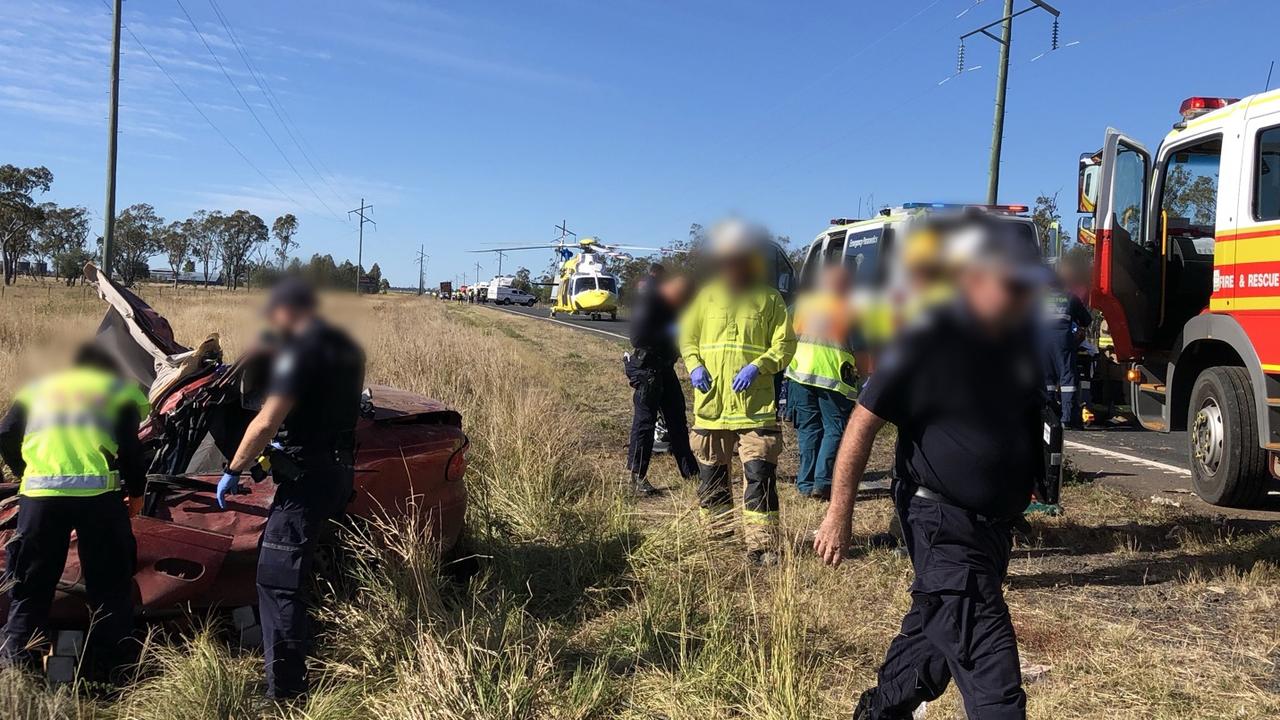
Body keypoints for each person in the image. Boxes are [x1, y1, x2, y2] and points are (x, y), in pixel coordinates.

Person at [813, 216, 1047, 719]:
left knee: (933, 647)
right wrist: (839, 513)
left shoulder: (1013, 347)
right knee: (993, 679)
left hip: (991, 532)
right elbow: (861, 424)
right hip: (944, 525)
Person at [215, 277, 365, 700]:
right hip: (338, 472)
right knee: (310, 568)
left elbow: (265, 421)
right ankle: (311, 647)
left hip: (306, 481)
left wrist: (234, 468)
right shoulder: (346, 348)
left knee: (277, 581)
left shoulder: (297, 354)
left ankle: (285, 694)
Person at [0, 344, 149, 679]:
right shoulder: (117, 391)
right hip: (98, 499)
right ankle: (111, 675)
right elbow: (131, 450)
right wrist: (137, 494)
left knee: (30, 586)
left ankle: (18, 676)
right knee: (110, 587)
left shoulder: (38, 390)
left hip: (40, 498)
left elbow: (6, 433)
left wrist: (25, 472)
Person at [679, 219, 796, 566]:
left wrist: (758, 366)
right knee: (712, 478)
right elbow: (688, 338)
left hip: (754, 408)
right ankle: (716, 539)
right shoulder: (706, 297)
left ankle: (761, 547)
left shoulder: (769, 299)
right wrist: (694, 365)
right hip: (711, 408)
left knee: (759, 477)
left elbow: (785, 345)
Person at [786, 265, 862, 500]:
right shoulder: (850, 310)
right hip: (833, 378)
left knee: (808, 429)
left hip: (799, 375)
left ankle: (805, 483)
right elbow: (863, 348)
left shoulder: (799, 306)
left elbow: (782, 335)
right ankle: (823, 481)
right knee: (835, 428)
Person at [625, 273, 698, 495]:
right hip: (647, 369)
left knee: (677, 420)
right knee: (645, 424)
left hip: (665, 368)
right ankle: (637, 477)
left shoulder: (674, 307)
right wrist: (668, 333)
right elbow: (638, 338)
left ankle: (691, 473)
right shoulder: (649, 302)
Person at [1041, 265, 1092, 429]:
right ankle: (1066, 418)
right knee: (1067, 378)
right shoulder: (1070, 297)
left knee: (1047, 379)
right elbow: (1086, 320)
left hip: (1041, 340)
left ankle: (1048, 417)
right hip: (1062, 340)